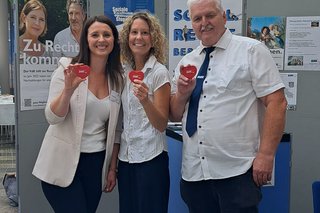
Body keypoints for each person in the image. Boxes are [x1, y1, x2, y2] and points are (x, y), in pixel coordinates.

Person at [169, 0, 287, 212]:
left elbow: (277, 102)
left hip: (237, 172)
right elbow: (176, 114)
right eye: (197, 18)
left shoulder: (251, 50)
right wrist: (182, 94)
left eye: (209, 15)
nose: (204, 22)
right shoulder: (187, 62)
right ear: (192, 24)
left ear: (224, 17)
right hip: (194, 172)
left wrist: (266, 155)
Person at [32, 15, 124, 213]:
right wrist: (68, 90)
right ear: (86, 40)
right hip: (62, 164)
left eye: (107, 35)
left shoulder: (117, 80)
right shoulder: (68, 70)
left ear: (114, 41)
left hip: (95, 164)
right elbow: (52, 117)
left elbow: (115, 130)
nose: (101, 39)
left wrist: (111, 168)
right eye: (95, 35)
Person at [118, 12, 171, 213]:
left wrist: (145, 100)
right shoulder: (124, 71)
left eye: (145, 33)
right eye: (134, 32)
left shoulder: (159, 72)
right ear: (127, 37)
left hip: (151, 160)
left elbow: (161, 124)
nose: (139, 37)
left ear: (153, 38)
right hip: (126, 159)